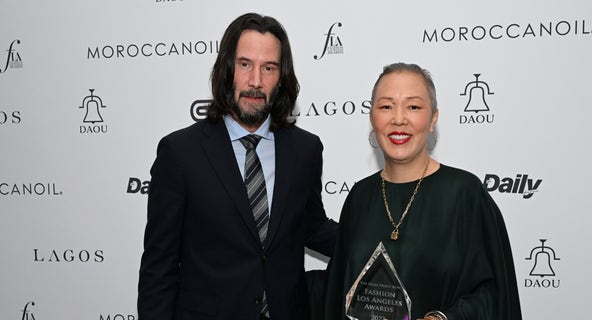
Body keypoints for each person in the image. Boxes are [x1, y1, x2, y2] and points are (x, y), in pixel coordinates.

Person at [137, 13, 338, 320]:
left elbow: (311, 225)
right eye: (245, 64)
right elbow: (159, 266)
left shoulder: (305, 150)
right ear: (226, 69)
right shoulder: (180, 154)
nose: (255, 81)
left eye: (268, 68)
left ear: (281, 77)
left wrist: (379, 240)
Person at [312, 63, 522, 320]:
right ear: (372, 117)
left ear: (433, 118)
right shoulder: (360, 197)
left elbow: (494, 296)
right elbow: (337, 291)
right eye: (386, 106)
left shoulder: (464, 194)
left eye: (413, 107)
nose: (398, 119)